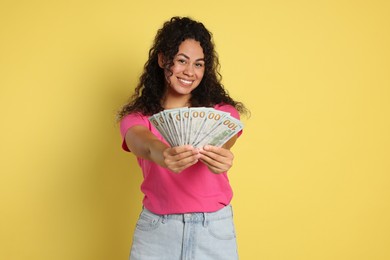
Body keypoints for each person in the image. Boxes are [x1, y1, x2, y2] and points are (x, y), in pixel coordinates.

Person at [117, 16, 248, 260]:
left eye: (199, 64)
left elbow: (226, 137)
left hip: (214, 230)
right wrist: (163, 154)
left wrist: (219, 150)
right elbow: (143, 144)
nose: (190, 71)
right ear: (162, 60)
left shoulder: (223, 112)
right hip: (157, 232)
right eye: (181, 61)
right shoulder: (137, 117)